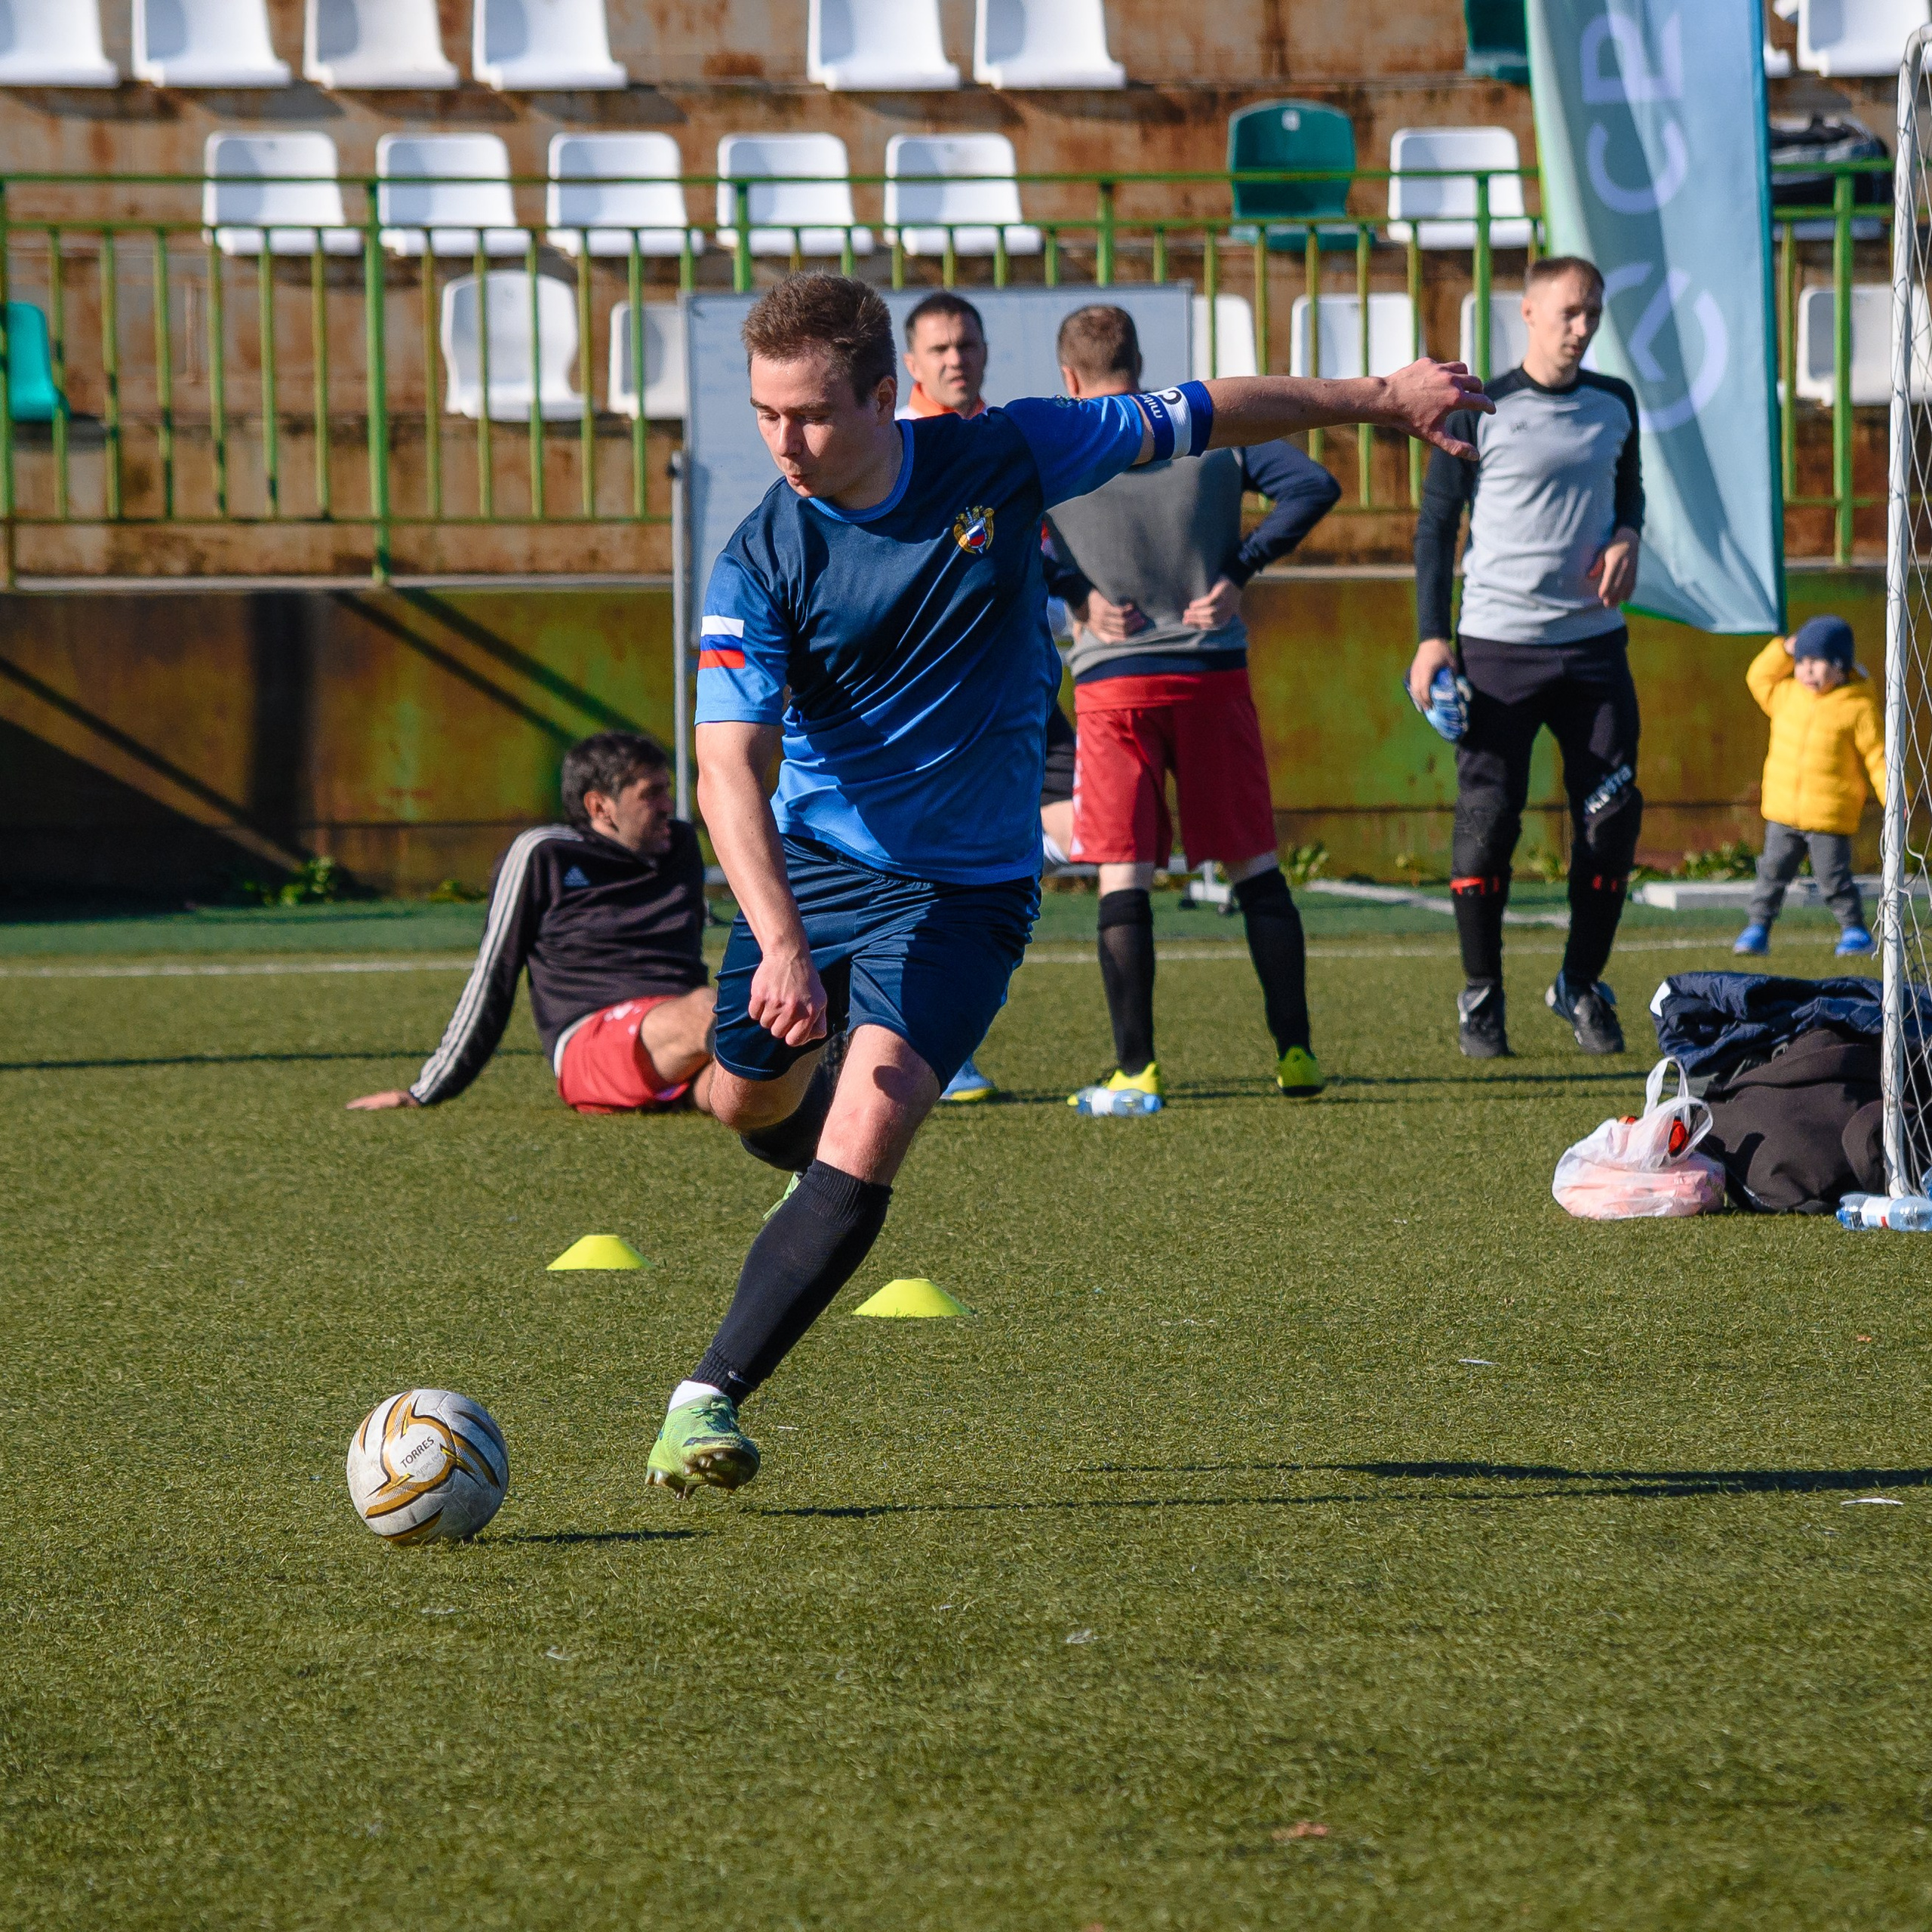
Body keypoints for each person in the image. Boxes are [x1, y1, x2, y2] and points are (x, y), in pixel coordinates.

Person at [641, 270, 1487, 1498]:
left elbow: (1208, 410)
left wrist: (1376, 394)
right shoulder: (762, 554)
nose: (786, 443)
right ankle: (763, 1119)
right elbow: (726, 768)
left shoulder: (1007, 451)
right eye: (767, 415)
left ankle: (704, 1398)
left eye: (812, 414)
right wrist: (776, 942)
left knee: (875, 1114)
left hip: (970, 888)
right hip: (815, 872)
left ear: (889, 396)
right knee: (742, 1101)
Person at [1041, 303, 1343, 1103]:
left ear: (1069, 378)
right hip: (1211, 673)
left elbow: (990, 528)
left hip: (1114, 684)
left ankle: (1135, 1066)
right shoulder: (1196, 432)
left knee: (1123, 871)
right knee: (1255, 864)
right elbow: (1314, 484)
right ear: (1139, 364)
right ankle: (1297, 1054)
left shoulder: (1062, 446)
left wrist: (1074, 591)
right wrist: (1237, 570)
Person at [1409, 254, 1644, 1060]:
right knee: (1486, 826)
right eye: (1570, 312)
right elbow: (1437, 527)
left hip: (1591, 651)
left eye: (1593, 314)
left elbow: (1631, 492)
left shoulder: (1615, 403)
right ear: (1530, 312)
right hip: (1496, 650)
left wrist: (1627, 536)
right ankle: (1481, 995)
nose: (1582, 328)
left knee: (1613, 819)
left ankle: (1579, 983)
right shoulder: (1482, 407)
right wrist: (1429, 637)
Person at [894, 288, 1076, 1105]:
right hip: (951, 706)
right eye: (938, 349)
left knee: (1088, 820)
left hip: (1027, 689)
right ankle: (925, 1039)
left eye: (965, 344)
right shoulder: (903, 450)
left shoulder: (1002, 441)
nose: (955, 359)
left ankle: (930, 1020)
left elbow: (1033, 551)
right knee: (948, 873)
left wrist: (1083, 590)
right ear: (911, 363)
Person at [346, 731, 716, 1117]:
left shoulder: (680, 845)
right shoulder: (545, 853)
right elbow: (495, 974)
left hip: (680, 1046)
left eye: (667, 790)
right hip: (592, 1043)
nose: (667, 805)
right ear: (600, 806)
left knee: (744, 1087)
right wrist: (426, 1091)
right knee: (711, 1012)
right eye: (650, 794)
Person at [1734, 614, 1884, 958]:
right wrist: (1783, 649)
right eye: (1801, 661)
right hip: (1782, 812)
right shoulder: (1785, 695)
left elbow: (1879, 755)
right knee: (1771, 874)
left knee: (1833, 879)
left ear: (1841, 666)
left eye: (1816, 662)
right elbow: (1757, 677)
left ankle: (1855, 931)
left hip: (1829, 818)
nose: (1806, 671)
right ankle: (1758, 928)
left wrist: (1895, 797)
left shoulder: (1858, 707)